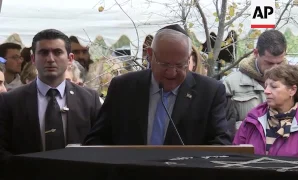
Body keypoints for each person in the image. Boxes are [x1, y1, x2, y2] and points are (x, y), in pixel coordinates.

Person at [83, 24, 231, 145]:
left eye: (180, 65)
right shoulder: (123, 88)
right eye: (164, 64)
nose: (172, 73)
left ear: (188, 59)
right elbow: (96, 140)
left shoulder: (210, 92)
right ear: (150, 55)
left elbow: (221, 144)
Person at [0, 29, 102, 169]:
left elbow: (100, 146)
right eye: (43, 52)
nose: (50, 59)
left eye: (58, 52)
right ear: (33, 59)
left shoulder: (90, 99)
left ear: (70, 59)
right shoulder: (9, 101)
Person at [223, 30, 298, 130]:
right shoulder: (231, 84)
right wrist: (254, 128)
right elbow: (225, 127)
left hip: (291, 143)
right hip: (248, 143)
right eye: (269, 63)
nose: (275, 68)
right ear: (255, 53)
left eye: (280, 62)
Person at [233, 64, 298, 158]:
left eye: (273, 87)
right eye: (266, 86)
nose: (266, 91)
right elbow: (234, 157)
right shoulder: (251, 121)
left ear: (292, 90)